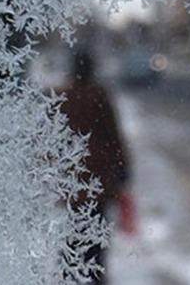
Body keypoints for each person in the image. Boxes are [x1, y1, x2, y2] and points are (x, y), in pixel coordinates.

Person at [56, 49, 130, 284]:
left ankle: (70, 274)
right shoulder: (99, 96)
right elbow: (113, 137)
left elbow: (52, 139)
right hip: (98, 181)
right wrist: (123, 171)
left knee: (74, 232)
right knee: (96, 235)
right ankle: (93, 276)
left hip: (73, 181)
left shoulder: (63, 97)